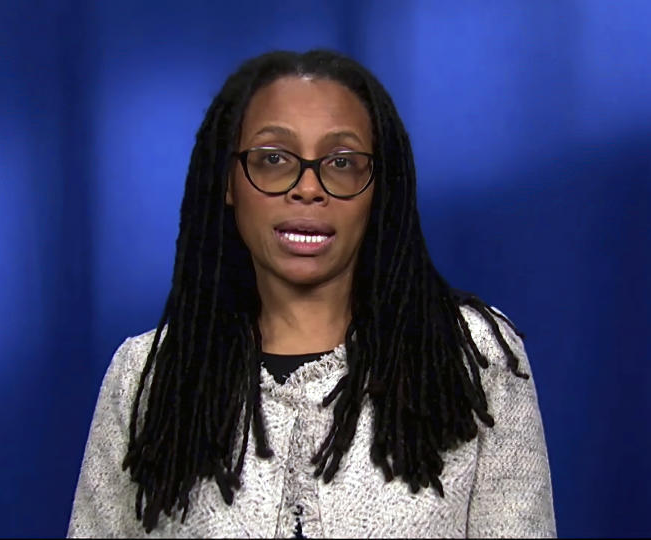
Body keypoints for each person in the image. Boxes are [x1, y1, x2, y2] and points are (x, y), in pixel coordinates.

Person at [67, 49, 556, 538]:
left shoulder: (470, 358)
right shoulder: (147, 374)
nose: (307, 188)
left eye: (342, 162)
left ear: (380, 187)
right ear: (228, 182)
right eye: (274, 159)